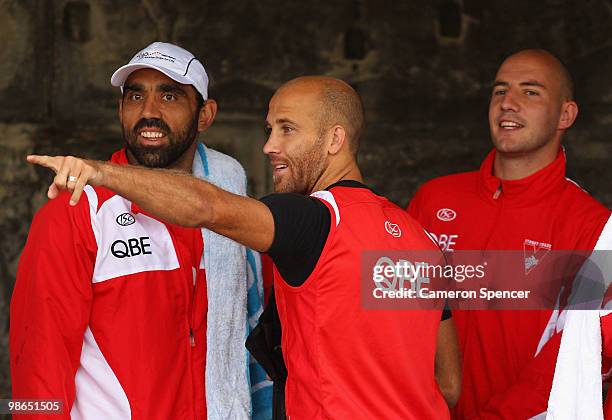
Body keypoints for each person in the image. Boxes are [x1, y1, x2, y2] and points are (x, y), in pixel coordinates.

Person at [27, 75, 460, 419]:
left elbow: (205, 205)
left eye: (287, 130)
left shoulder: (310, 222)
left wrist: (96, 172)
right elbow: (449, 384)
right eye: (269, 130)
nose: (269, 146)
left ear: (335, 140)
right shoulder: (419, 239)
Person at [11, 41, 269, 419]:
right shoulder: (76, 210)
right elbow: (36, 361)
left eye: (169, 95)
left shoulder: (229, 212)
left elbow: (259, 341)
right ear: (120, 108)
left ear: (205, 115)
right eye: (135, 96)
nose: (149, 112)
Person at [406, 49, 611, 418]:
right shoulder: (433, 198)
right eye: (500, 91)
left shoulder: (593, 227)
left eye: (530, 92)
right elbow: (394, 314)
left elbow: (584, 353)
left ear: (566, 114)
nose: (508, 104)